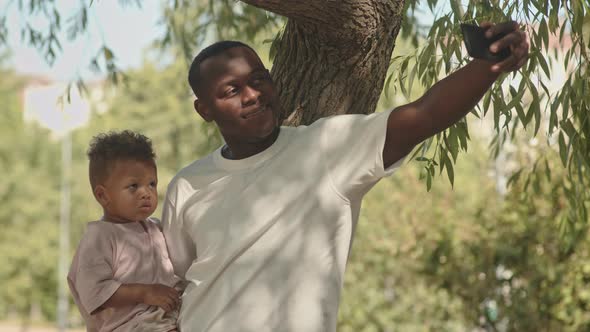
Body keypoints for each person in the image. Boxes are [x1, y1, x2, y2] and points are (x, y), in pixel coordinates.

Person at [162, 21, 529, 331]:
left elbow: (425, 115)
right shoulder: (187, 184)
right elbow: (172, 289)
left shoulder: (326, 147)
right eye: (233, 90)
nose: (253, 95)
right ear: (204, 109)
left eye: (260, 80)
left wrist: (491, 64)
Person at [68, 130, 185, 332]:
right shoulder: (99, 236)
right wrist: (144, 293)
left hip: (165, 320)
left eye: (152, 184)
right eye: (133, 186)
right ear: (103, 195)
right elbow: (93, 291)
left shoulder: (155, 227)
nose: (146, 193)